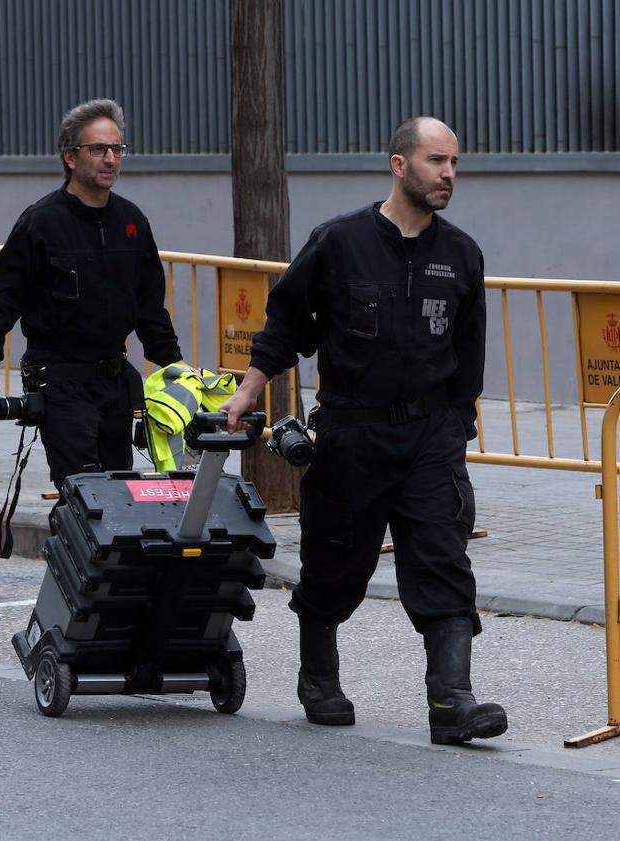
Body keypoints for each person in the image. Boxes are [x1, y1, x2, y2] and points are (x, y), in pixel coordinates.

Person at [221, 116, 507, 745]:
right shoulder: (340, 242)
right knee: (335, 564)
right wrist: (248, 391)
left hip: (430, 438)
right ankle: (318, 678)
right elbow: (286, 324)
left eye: (455, 163)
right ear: (399, 165)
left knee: (442, 560)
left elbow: (470, 352)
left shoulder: (461, 254)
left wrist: (456, 431)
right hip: (353, 435)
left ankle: (453, 703)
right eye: (437, 161)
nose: (450, 175)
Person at [0, 99, 183, 491]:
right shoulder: (42, 222)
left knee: (120, 491)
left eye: (117, 149)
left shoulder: (132, 222)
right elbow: (0, 294)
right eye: (98, 149)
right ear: (70, 156)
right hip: (61, 382)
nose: (110, 159)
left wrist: (176, 368)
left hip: (115, 384)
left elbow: (149, 306)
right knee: (83, 492)